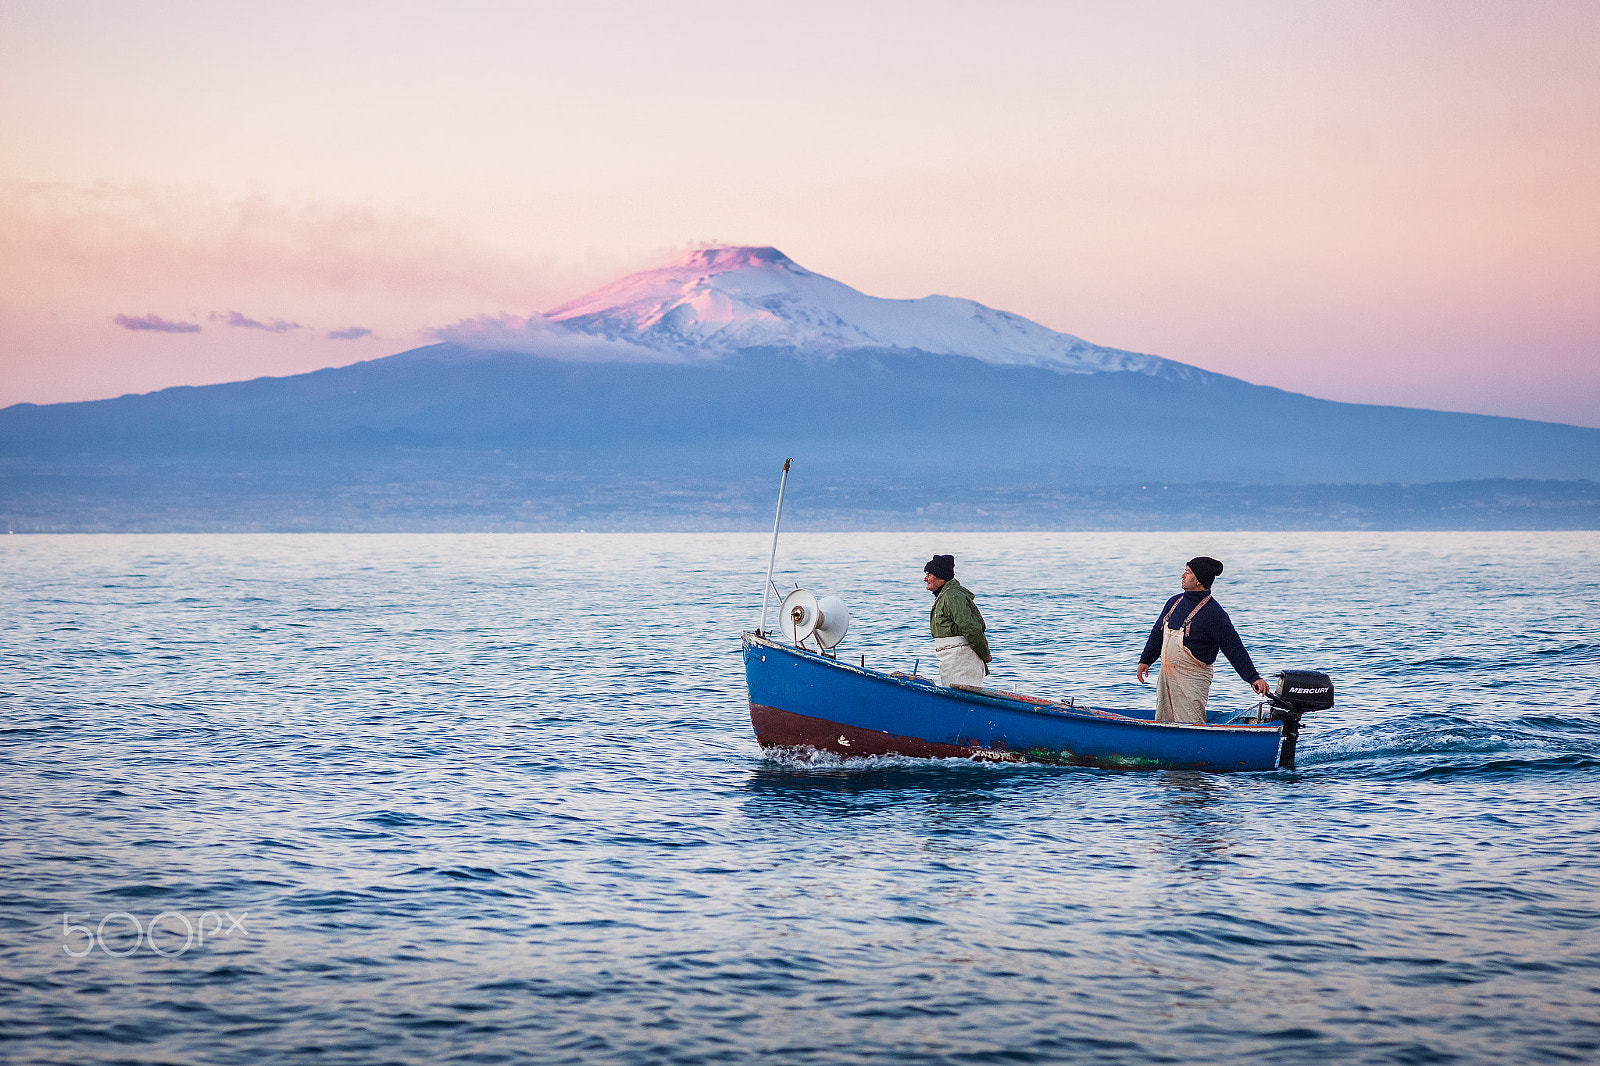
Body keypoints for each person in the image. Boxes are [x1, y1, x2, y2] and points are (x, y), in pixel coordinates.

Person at [1135, 556, 1270, 723]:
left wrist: (1253, 677)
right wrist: (1146, 660)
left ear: (1199, 580)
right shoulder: (1174, 602)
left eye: (1188, 572)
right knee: (1163, 721)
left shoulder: (1214, 614)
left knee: (1190, 724)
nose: (1182, 576)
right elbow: (1157, 633)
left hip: (1192, 680)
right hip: (1166, 677)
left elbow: (1234, 649)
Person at [923, 554, 991, 688]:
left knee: (962, 697)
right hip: (952, 660)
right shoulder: (946, 595)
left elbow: (970, 627)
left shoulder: (952, 596)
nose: (925, 579)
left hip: (961, 661)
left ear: (941, 578)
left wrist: (984, 654)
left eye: (929, 574)